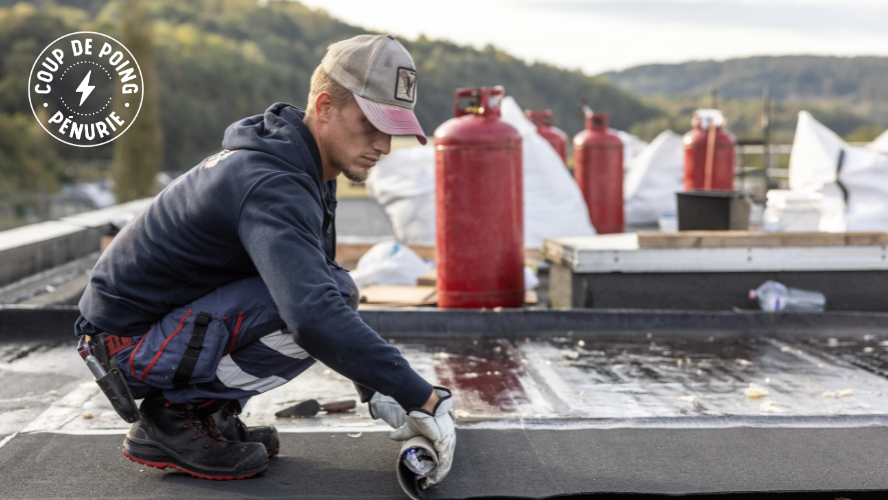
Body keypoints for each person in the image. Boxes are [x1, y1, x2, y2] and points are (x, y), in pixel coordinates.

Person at [74, 34, 455, 487]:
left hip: (150, 332)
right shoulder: (271, 182)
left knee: (331, 289)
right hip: (126, 347)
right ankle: (175, 415)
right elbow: (313, 314)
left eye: (391, 128)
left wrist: (378, 390)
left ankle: (206, 409)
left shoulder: (305, 167)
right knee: (315, 305)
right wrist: (420, 396)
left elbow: (320, 290)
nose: (384, 145)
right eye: (370, 124)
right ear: (325, 106)